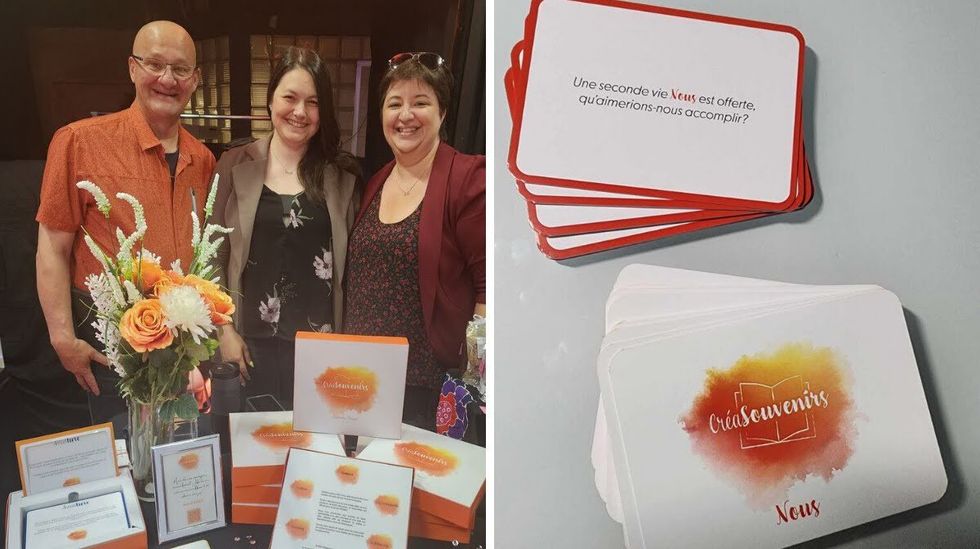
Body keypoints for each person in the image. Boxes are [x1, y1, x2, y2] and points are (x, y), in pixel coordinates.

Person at [35, 21, 214, 425]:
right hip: (109, 347)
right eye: (155, 64)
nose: (167, 79)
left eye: (181, 69)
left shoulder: (202, 158)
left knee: (177, 458)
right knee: (123, 461)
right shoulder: (79, 142)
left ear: (196, 80)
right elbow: (52, 245)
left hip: (179, 347)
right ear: (132, 68)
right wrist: (63, 338)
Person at [344, 52, 486, 430]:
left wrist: (475, 375)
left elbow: (488, 286)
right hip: (364, 378)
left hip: (427, 386)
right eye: (395, 104)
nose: (405, 115)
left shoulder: (468, 179)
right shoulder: (377, 180)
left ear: (442, 113)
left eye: (420, 102)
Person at [212, 47, 361, 405]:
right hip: (246, 345)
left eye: (312, 102)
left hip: (319, 347)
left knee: (311, 450)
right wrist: (224, 331)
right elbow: (211, 256)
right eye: (290, 98)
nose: (299, 112)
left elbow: (353, 270)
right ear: (271, 100)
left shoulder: (342, 176)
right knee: (252, 449)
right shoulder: (234, 164)